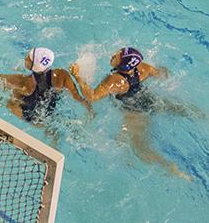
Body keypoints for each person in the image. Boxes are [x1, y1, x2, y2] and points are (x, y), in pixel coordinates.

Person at [69, 47, 196, 180]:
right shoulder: (143, 68)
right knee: (181, 109)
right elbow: (162, 74)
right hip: (149, 99)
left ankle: (172, 169)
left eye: (117, 56)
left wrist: (77, 76)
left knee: (140, 149)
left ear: (123, 64)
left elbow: (92, 96)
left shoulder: (114, 80)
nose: (113, 55)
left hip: (134, 112)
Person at [0, 48, 89, 123]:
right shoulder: (61, 75)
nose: (25, 58)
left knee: (8, 98)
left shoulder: (24, 81)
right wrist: (89, 109)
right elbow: (77, 96)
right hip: (51, 111)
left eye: (28, 58)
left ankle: (41, 126)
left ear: (34, 64)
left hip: (32, 117)